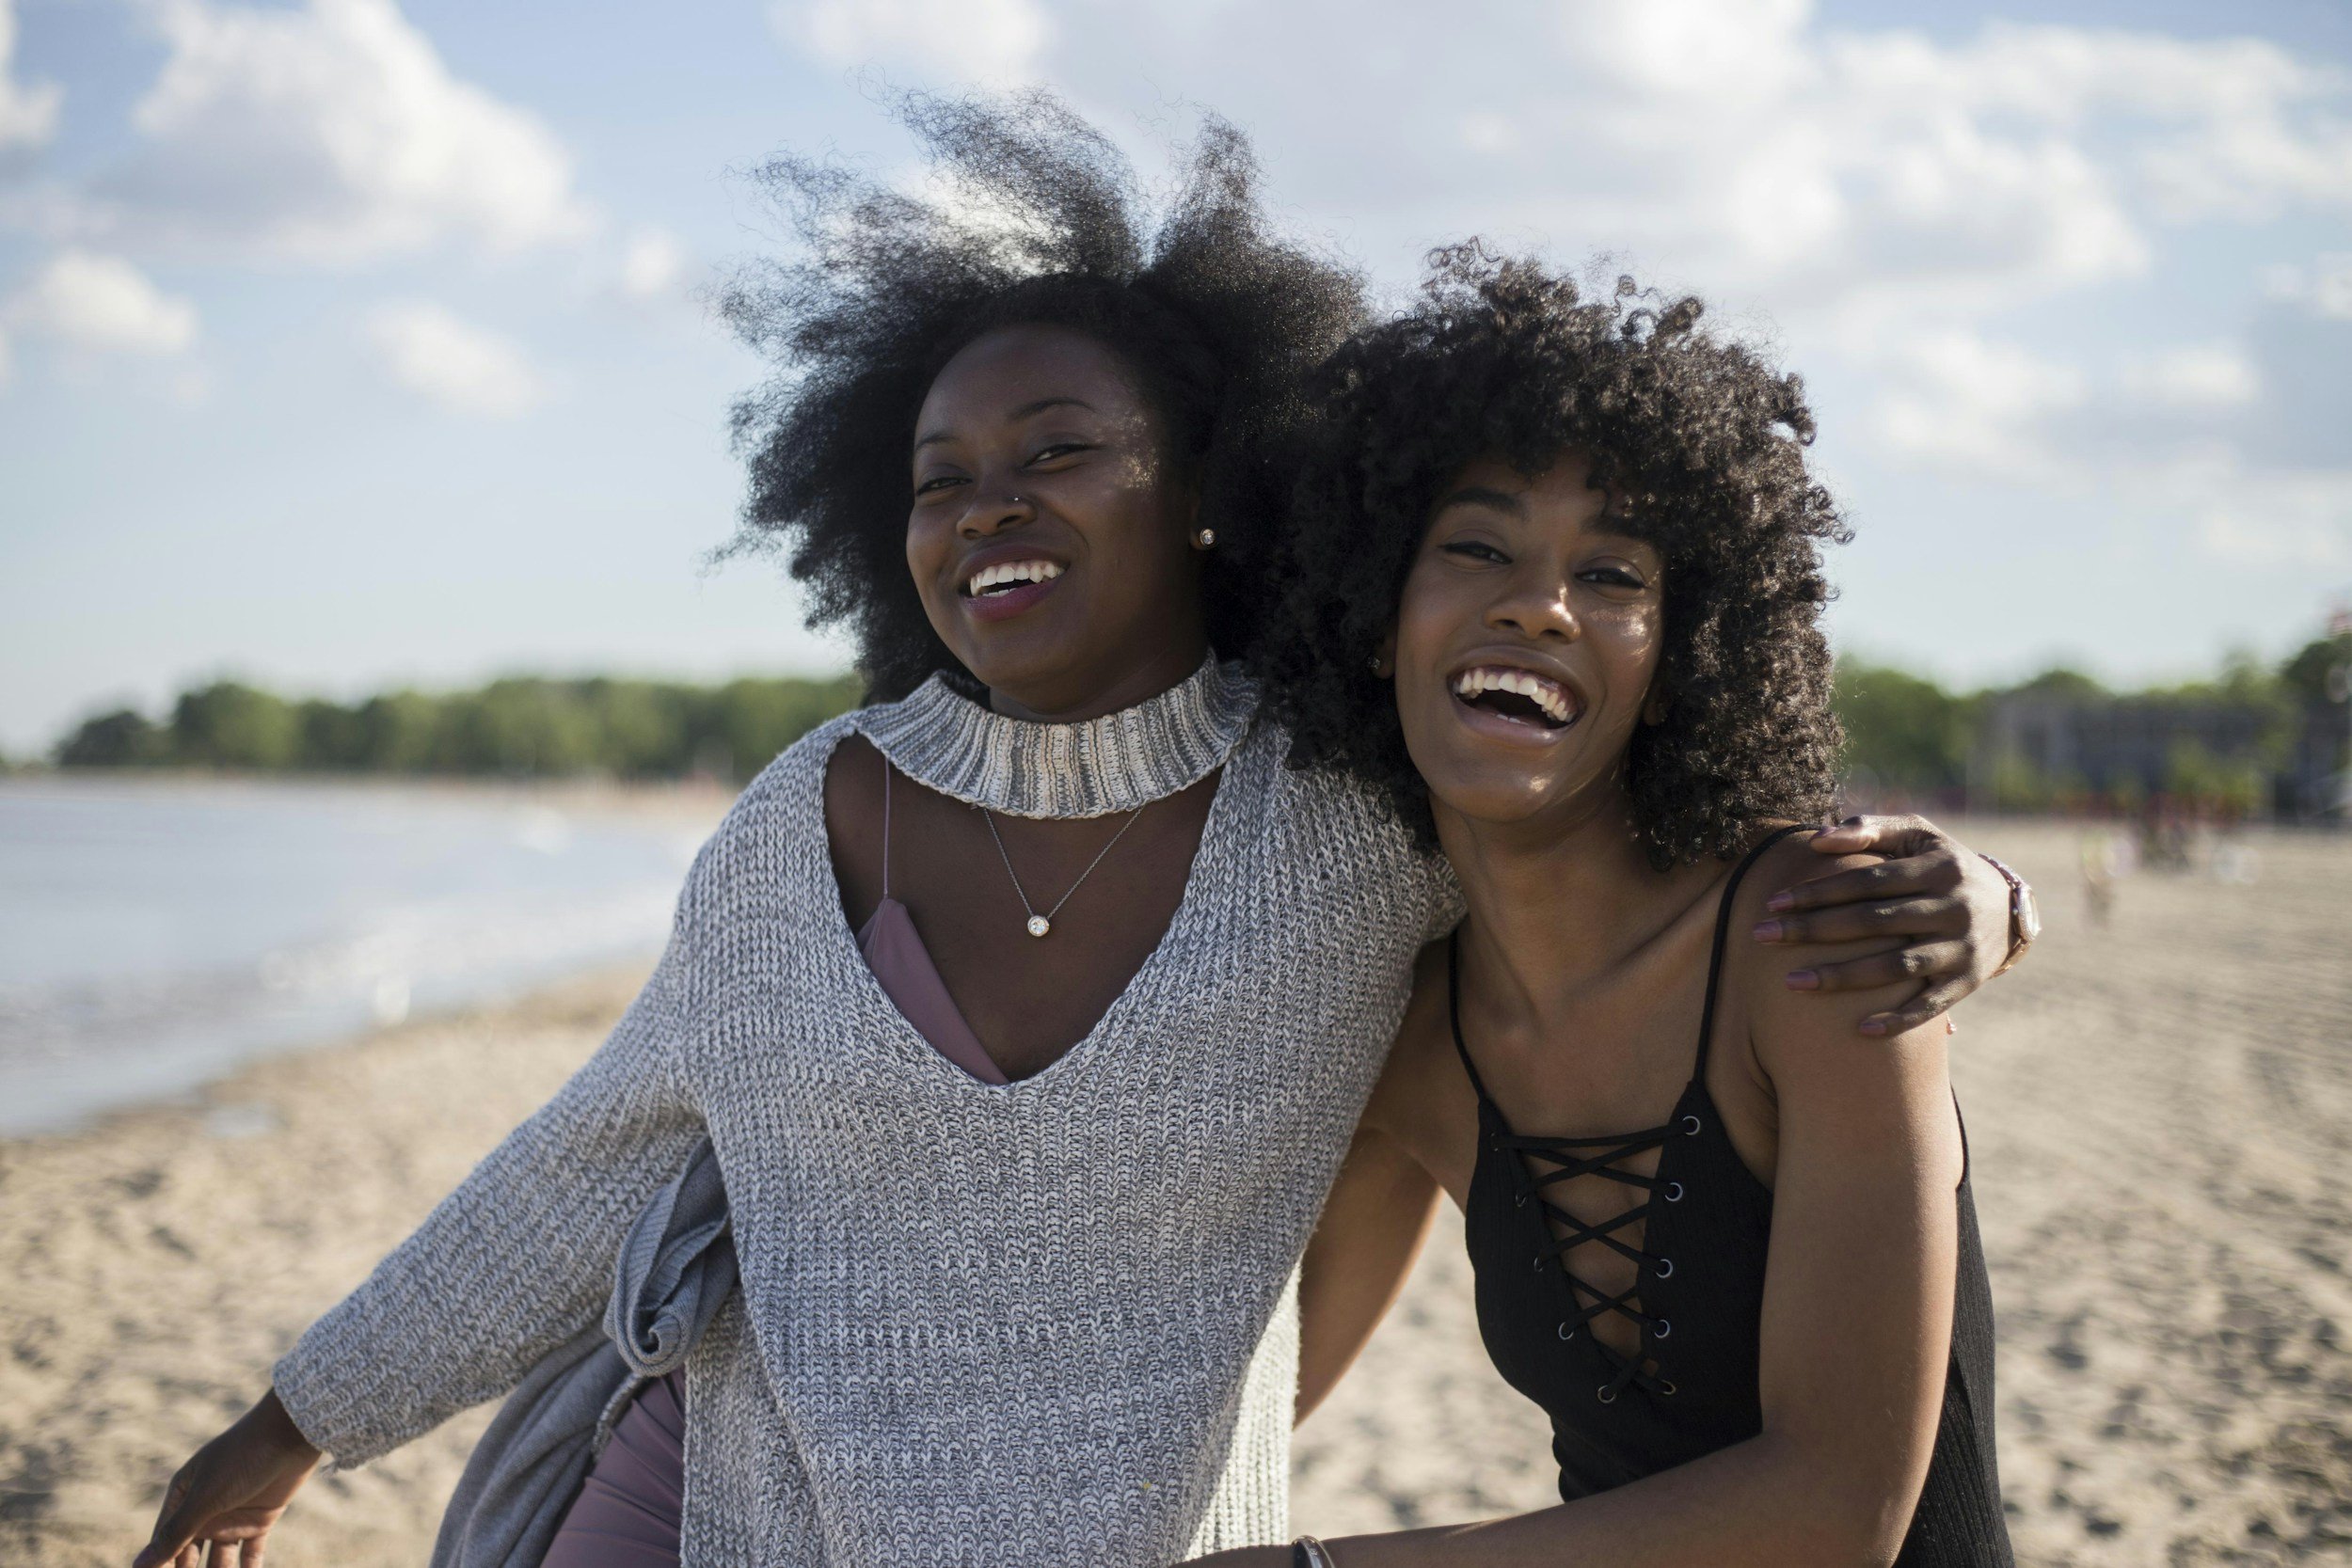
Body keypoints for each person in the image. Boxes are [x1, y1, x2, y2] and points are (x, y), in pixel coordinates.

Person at [135, 102, 2022, 1568]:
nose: (987, 509)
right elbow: (581, 1167)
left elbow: (1620, 863)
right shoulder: (799, 826)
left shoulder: (1354, 831)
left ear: (1208, 497)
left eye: (1056, 451)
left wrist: (1988, 898)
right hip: (716, 1514)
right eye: (939, 478)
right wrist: (287, 1425)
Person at [1223, 250, 2015, 1567]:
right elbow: (1246, 1399)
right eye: (1476, 547)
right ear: (1373, 616)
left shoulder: (1814, 940)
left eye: (1613, 577)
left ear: (1682, 652)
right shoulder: (1412, 1042)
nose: (1537, 602)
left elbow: (1837, 1511)